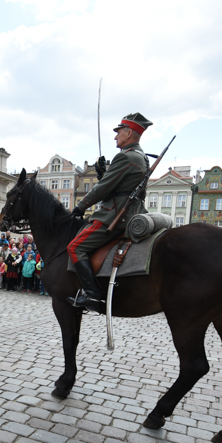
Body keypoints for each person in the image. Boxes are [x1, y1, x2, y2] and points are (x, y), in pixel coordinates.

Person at [67, 113, 152, 312]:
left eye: (119, 132)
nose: (115, 137)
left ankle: (93, 295)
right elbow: (122, 185)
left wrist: (80, 207)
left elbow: (102, 189)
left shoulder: (125, 156)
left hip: (115, 215)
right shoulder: (141, 157)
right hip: (132, 210)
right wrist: (103, 173)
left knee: (74, 247)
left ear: (129, 133)